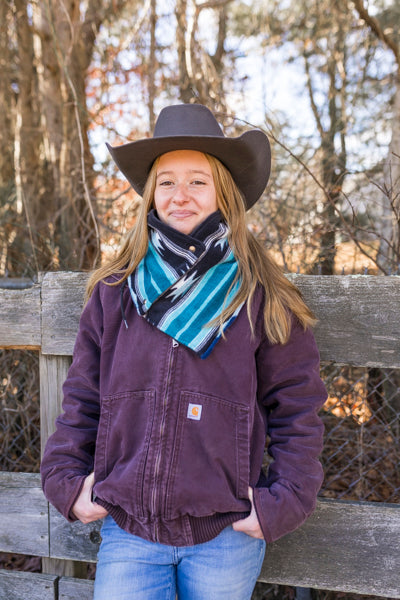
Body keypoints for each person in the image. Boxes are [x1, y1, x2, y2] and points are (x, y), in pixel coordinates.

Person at [41, 103, 327, 600]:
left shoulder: (259, 294)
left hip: (225, 534)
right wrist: (66, 479)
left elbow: (297, 405)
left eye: (198, 181)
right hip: (129, 529)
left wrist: (283, 500)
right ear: (151, 193)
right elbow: (83, 397)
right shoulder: (116, 290)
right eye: (167, 182)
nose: (180, 196)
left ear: (223, 192)